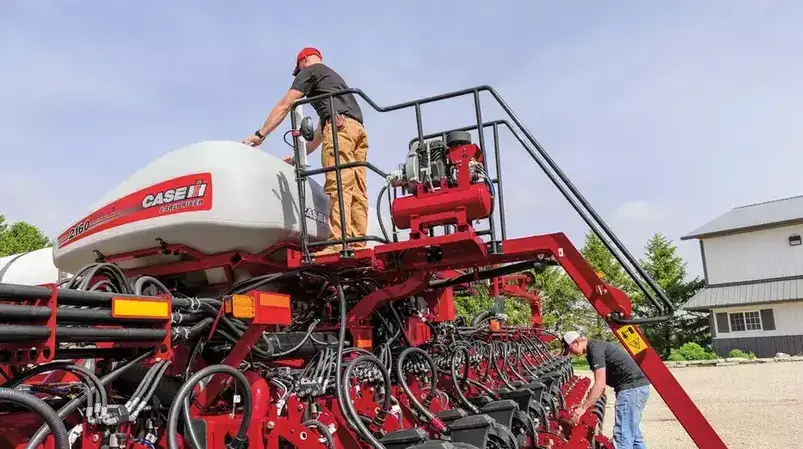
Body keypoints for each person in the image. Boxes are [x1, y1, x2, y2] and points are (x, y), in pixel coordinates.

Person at [241, 47, 369, 253]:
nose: (299, 75)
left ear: (303, 62)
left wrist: (261, 134)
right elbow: (320, 134)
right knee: (356, 189)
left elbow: (286, 104)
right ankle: (358, 242)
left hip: (340, 132)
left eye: (299, 70)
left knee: (339, 185)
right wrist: (296, 157)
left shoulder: (310, 71)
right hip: (357, 131)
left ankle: (339, 243)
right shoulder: (333, 82)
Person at [563, 330, 650, 449]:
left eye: (570, 349)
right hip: (636, 388)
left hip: (631, 390)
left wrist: (583, 408)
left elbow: (600, 384)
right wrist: (585, 403)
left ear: (576, 342)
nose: (571, 353)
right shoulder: (593, 349)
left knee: (622, 438)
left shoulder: (595, 350)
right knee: (634, 437)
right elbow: (600, 384)